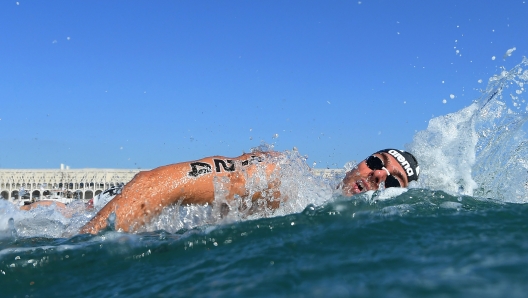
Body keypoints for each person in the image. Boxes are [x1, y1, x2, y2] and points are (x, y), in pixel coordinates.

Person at [80, 148, 419, 234]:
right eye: (376, 161)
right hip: (102, 208)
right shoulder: (283, 178)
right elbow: (154, 184)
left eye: (391, 181)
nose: (377, 174)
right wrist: (83, 249)